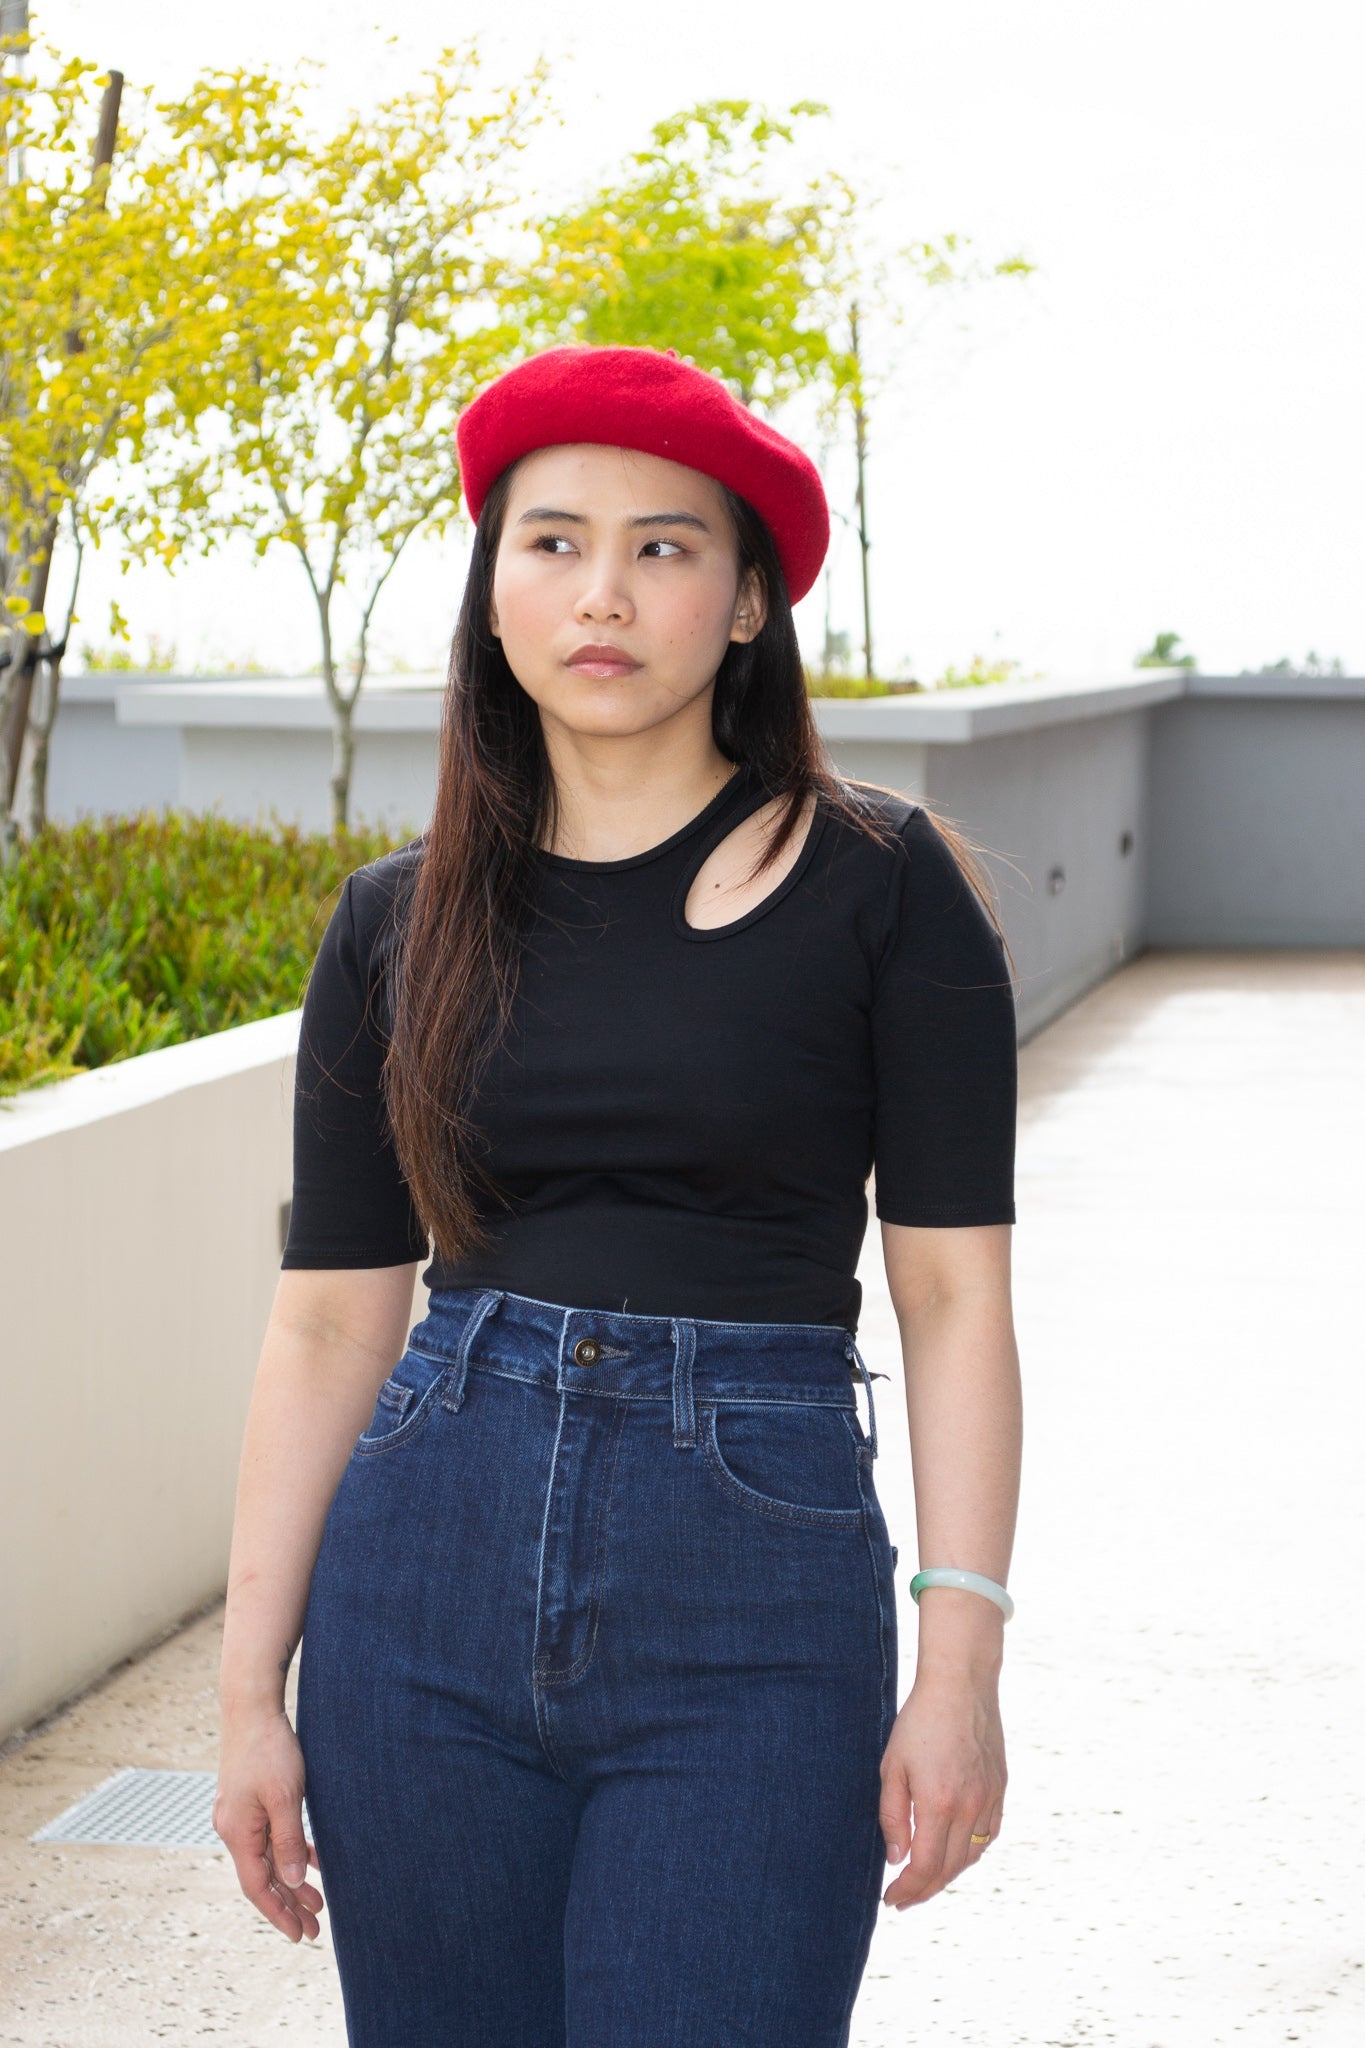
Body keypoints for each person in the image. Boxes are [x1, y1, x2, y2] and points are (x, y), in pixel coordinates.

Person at [213, 343, 1022, 2048]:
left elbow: (951, 1302)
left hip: (752, 1576)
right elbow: (329, 1320)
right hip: (419, 1569)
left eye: (664, 547)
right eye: (553, 541)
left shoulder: (882, 887)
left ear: (744, 605)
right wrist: (247, 1699)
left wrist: (959, 1668)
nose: (604, 592)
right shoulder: (392, 919)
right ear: (493, 592)